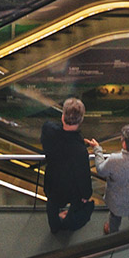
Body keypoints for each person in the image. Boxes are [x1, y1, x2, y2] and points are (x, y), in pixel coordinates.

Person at [42, 97, 95, 232]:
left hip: (52, 181)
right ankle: (68, 223)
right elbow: (83, 175)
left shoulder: (48, 130)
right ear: (81, 120)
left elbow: (53, 131)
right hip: (71, 187)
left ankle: (54, 227)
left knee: (52, 204)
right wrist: (86, 194)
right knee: (75, 204)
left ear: (63, 116)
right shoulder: (80, 150)